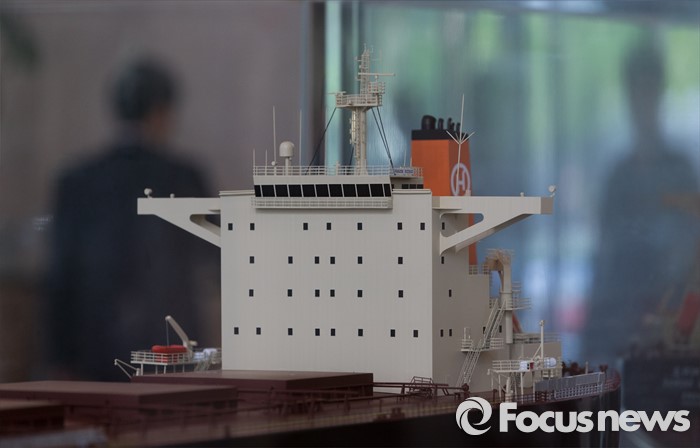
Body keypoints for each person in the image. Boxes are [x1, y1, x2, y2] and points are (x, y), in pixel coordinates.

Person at [44, 58, 219, 380]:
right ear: (162, 111)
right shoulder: (185, 178)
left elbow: (60, 276)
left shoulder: (77, 181)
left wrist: (58, 356)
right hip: (172, 351)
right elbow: (218, 263)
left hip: (94, 350)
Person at [581, 38, 699, 366]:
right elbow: (603, 259)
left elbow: (691, 252)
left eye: (649, 89)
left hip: (674, 329)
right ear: (628, 95)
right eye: (637, 91)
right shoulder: (617, 178)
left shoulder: (681, 172)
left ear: (660, 92)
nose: (643, 101)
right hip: (622, 330)